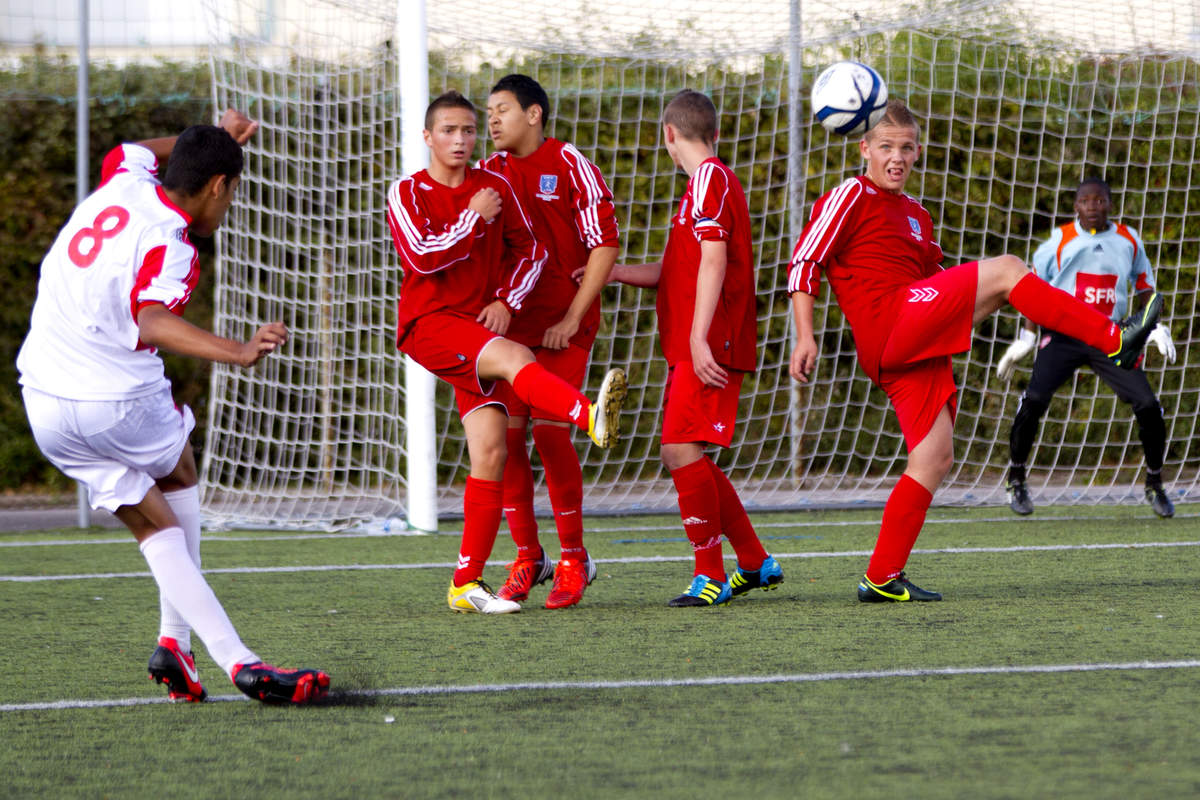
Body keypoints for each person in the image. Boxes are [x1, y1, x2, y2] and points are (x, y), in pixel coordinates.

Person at [788, 99, 1162, 603]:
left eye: (905, 147)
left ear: (918, 151)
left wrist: (990, 298)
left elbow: (937, 286)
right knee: (1009, 268)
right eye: (885, 147)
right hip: (888, 323)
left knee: (935, 458)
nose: (895, 157)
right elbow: (803, 262)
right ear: (864, 149)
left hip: (911, 338)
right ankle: (1115, 340)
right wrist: (805, 334)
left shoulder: (917, 215)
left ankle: (881, 576)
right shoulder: (850, 194)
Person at [17, 111, 330, 704]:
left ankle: (176, 649)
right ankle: (238, 663)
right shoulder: (174, 243)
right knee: (180, 470)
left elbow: (130, 147)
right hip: (115, 398)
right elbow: (153, 319)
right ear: (219, 185)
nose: (230, 203)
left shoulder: (124, 181)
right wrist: (236, 351)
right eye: (231, 190)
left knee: (155, 524)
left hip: (44, 402)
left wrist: (207, 136)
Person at [386, 90, 627, 615]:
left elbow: (542, 248)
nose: (473, 132)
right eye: (454, 129)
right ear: (427, 136)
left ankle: (476, 580)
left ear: (533, 113)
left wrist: (513, 301)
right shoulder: (412, 190)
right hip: (451, 328)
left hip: (527, 326)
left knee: (496, 448)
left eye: (475, 125)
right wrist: (474, 220)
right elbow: (423, 258)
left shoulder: (541, 169)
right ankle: (587, 414)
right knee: (521, 389)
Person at [609, 89, 783, 607]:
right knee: (687, 452)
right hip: (699, 339)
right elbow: (675, 270)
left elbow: (714, 258)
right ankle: (754, 561)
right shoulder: (702, 188)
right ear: (715, 131)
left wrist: (697, 336)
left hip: (708, 340)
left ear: (668, 134)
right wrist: (615, 272)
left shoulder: (709, 179)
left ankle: (710, 574)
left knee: (679, 449)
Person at [479, 74, 621, 609]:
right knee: (507, 438)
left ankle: (574, 557)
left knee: (552, 434)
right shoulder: (488, 174)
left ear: (534, 114)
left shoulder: (569, 164)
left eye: (503, 110)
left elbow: (604, 245)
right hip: (511, 331)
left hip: (565, 326)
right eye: (487, 111)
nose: (492, 120)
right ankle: (527, 556)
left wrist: (572, 315)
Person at [996, 177, 1176, 518]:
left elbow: (1145, 288)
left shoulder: (1128, 239)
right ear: (1075, 206)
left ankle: (1155, 483)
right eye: (1085, 201)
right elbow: (1031, 289)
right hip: (1063, 335)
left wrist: (1155, 327)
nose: (1093, 207)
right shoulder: (1058, 242)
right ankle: (1016, 479)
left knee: (1149, 405)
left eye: (1100, 201)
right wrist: (1027, 337)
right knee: (1033, 399)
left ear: (1110, 203)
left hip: (1109, 337)